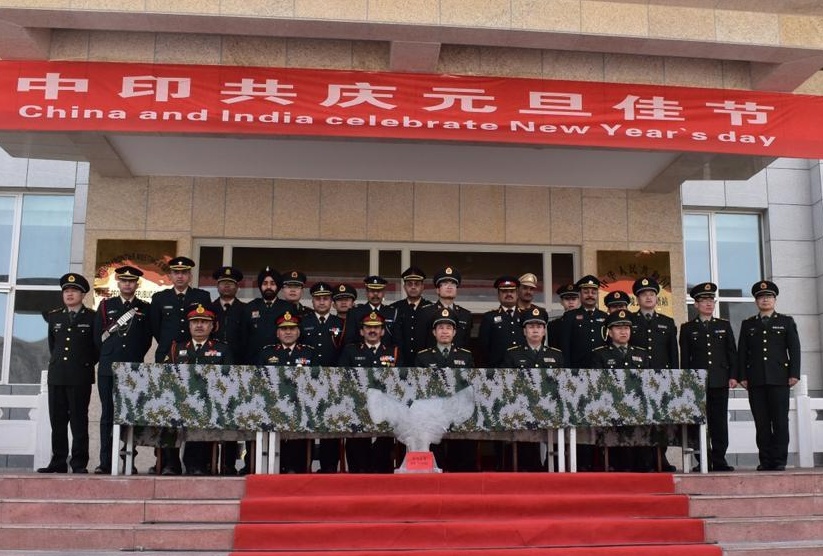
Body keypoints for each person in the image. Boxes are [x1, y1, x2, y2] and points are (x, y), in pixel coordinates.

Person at [93, 265, 152, 474]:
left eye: (132, 281)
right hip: (109, 368)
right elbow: (97, 338)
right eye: (124, 280)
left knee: (130, 416)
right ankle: (106, 462)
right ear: (118, 283)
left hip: (133, 369)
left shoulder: (145, 308)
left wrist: (132, 357)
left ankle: (128, 461)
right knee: (108, 415)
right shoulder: (105, 306)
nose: (128, 284)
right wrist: (112, 355)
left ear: (137, 284)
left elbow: (145, 340)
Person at [38, 273, 98, 474]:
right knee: (58, 421)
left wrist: (84, 364)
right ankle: (58, 462)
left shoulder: (92, 317)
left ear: (83, 294)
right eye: (66, 291)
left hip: (80, 375)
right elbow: (53, 345)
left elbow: (96, 348)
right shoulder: (55, 316)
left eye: (73, 291)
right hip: (57, 375)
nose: (69, 294)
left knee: (79, 421)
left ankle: (79, 463)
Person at [738, 280, 800, 472]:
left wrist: (794, 373)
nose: (765, 300)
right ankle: (765, 460)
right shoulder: (748, 324)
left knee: (780, 421)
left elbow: (794, 349)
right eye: (761, 297)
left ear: (774, 299)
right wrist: (742, 376)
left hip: (780, 379)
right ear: (756, 301)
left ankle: (779, 460)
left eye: (769, 297)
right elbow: (742, 352)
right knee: (762, 422)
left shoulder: (786, 322)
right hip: (756, 380)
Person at [164, 304, 233, 475]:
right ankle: (171, 464)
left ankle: (196, 465)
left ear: (211, 326)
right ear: (189, 326)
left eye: (204, 322)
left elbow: (229, 379)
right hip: (179, 402)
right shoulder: (177, 348)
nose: (199, 325)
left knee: (201, 415)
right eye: (195, 322)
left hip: (210, 403)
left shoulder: (221, 350)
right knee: (167, 416)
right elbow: (166, 376)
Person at [679, 282, 737, 472]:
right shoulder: (687, 328)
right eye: (704, 301)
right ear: (696, 304)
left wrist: (733, 376)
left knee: (719, 422)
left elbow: (731, 353)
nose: (708, 304)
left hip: (719, 380)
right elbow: (685, 358)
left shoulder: (724, 325)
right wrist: (686, 381)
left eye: (711, 300)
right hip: (697, 383)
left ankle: (719, 460)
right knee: (698, 423)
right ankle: (702, 460)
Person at [338, 311, 402, 473]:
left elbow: (401, 382)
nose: (372, 331)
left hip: (385, 412)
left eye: (376, 327)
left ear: (382, 331)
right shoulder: (350, 351)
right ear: (361, 331)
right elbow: (342, 380)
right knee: (358, 457)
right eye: (368, 327)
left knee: (383, 456)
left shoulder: (393, 352)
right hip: (357, 410)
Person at [588, 309, 651, 471]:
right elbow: (597, 383)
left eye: (626, 328)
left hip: (637, 407)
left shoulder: (641, 354)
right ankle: (616, 465)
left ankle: (640, 465)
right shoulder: (600, 354)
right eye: (618, 328)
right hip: (611, 406)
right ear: (609, 332)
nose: (623, 332)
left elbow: (649, 382)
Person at [504, 308, 564, 471]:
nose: (535, 330)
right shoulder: (513, 355)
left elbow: (562, 384)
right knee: (526, 450)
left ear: (544, 330)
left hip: (550, 409)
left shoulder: (556, 355)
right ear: (524, 331)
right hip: (522, 409)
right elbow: (507, 384)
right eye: (531, 326)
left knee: (553, 445)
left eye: (539, 326)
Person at [415, 308, 475, 471]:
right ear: (434, 332)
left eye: (449, 328)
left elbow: (471, 386)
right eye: (440, 328)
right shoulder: (423, 357)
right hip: (433, 412)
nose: (444, 332)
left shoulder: (465, 356)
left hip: (459, 412)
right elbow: (418, 387)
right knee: (436, 450)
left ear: (454, 332)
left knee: (461, 450)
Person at [630, 277, 679, 471]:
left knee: (661, 421)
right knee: (641, 420)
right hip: (638, 379)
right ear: (637, 299)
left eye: (652, 294)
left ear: (656, 298)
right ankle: (644, 460)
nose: (648, 297)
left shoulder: (667, 322)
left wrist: (674, 378)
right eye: (644, 294)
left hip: (662, 380)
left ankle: (661, 458)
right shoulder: (630, 321)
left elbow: (673, 353)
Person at [259, 311, 316, 473]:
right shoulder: (267, 353)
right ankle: (274, 468)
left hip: (302, 406)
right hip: (273, 405)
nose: (288, 332)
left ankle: (296, 468)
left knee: (298, 438)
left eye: (292, 328)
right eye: (284, 329)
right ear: (278, 333)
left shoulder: (308, 353)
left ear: (298, 332)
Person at [300, 282, 345, 472]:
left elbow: (344, 351)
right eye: (318, 299)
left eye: (325, 298)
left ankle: (329, 466)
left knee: (331, 426)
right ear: (312, 301)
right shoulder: (304, 323)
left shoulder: (340, 324)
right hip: (307, 382)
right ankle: (303, 465)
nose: (321, 302)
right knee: (304, 424)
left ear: (331, 302)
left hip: (333, 383)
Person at [208, 265, 245, 475]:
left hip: (236, 372)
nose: (226, 286)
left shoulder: (245, 309)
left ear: (237, 286)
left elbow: (249, 340)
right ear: (218, 285)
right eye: (223, 282)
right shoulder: (209, 309)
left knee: (232, 419)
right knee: (207, 417)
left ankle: (229, 464)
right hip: (209, 371)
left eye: (230, 283)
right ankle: (206, 463)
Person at [149, 256, 211, 364]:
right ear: (170, 276)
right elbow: (155, 326)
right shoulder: (160, 297)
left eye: (184, 272)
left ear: (190, 276)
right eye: (176, 272)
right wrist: (168, 341)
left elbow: (208, 322)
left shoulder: (202, 296)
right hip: (167, 351)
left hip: (194, 351)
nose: (180, 276)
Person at [241, 266, 292, 364]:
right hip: (253, 363)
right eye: (265, 283)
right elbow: (243, 339)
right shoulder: (249, 308)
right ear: (260, 286)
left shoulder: (287, 308)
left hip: (281, 363)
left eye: (272, 283)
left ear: (278, 286)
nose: (268, 287)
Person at [418, 267, 472, 349]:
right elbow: (420, 343)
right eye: (445, 283)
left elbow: (466, 346)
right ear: (438, 290)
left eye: (453, 284)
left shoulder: (465, 315)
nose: (449, 287)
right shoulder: (425, 312)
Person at [561, 275, 608, 368]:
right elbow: (565, 347)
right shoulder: (570, 316)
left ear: (597, 295)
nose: (590, 295)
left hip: (602, 370)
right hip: (578, 370)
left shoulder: (605, 317)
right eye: (586, 292)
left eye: (593, 292)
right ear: (579, 295)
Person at [480, 276, 525, 368]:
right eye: (504, 291)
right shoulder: (489, 317)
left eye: (512, 291)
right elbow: (483, 347)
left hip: (524, 368)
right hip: (498, 369)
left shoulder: (526, 316)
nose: (508, 294)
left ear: (517, 294)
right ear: (498, 295)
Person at [343, 275, 401, 347]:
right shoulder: (355, 312)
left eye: (379, 291)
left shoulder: (393, 312)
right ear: (366, 293)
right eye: (372, 291)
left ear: (383, 293)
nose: (375, 294)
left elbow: (397, 342)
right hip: (361, 355)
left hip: (386, 356)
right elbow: (349, 341)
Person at [391, 266, 433, 365]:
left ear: (423, 287)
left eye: (417, 284)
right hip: (400, 363)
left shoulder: (431, 309)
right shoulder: (394, 308)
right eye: (409, 284)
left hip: (425, 364)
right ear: (404, 286)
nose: (413, 287)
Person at [547, 283, 579, 350]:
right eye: (567, 299)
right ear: (561, 301)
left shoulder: (586, 321)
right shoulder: (553, 325)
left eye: (574, 299)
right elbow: (553, 349)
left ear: (578, 301)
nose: (571, 302)